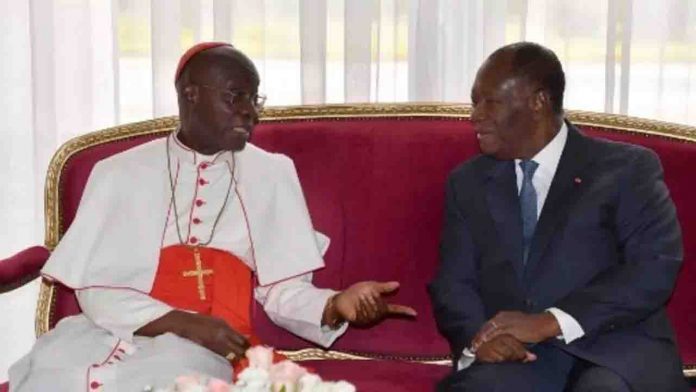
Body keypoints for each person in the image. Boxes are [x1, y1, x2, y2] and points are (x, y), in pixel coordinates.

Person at [8, 42, 416, 391]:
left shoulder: (272, 174)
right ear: (190, 94)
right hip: (106, 332)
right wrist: (182, 322)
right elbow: (96, 290)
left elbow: (282, 292)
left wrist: (334, 305)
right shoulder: (119, 173)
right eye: (234, 97)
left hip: (212, 344)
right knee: (52, 374)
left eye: (254, 100)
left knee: (175, 379)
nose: (250, 113)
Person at [428, 42, 687, 392]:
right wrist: (479, 339)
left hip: (614, 350)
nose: (475, 115)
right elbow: (453, 283)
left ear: (538, 101)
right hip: (521, 359)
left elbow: (652, 269)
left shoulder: (627, 169)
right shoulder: (468, 183)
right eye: (475, 102)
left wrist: (550, 322)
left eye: (490, 102)